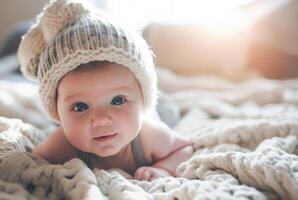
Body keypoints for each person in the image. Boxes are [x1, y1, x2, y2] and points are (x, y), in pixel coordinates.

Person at [17, 0, 193, 181]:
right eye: (80, 107)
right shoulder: (60, 144)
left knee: (170, 111)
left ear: (142, 97)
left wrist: (163, 168)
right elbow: (29, 167)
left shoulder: (149, 136)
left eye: (117, 100)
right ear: (56, 112)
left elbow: (183, 148)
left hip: (159, 110)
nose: (101, 120)